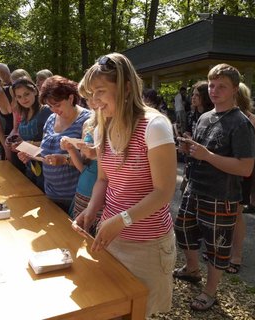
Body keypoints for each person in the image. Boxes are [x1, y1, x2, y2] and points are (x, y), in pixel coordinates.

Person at [72, 53, 177, 317]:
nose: (94, 102)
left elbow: (164, 192)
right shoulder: (101, 127)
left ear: (127, 86)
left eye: (101, 92)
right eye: (90, 94)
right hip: (111, 237)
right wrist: (93, 210)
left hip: (148, 245)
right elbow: (104, 180)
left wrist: (122, 219)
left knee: (140, 312)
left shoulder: (154, 126)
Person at [174, 64, 255, 311]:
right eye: (211, 85)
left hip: (222, 196)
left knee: (217, 246)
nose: (214, 90)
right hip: (194, 189)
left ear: (234, 91)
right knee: (183, 230)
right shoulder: (205, 117)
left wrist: (207, 155)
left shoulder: (241, 123)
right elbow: (201, 152)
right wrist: (189, 148)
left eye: (222, 86)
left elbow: (245, 168)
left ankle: (210, 291)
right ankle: (192, 268)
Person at [24, 75, 90, 213]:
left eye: (58, 105)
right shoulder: (50, 119)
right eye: (50, 106)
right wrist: (29, 154)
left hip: (74, 196)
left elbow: (89, 164)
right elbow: (45, 151)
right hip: (50, 194)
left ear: (71, 98)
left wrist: (64, 160)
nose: (54, 110)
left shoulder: (87, 121)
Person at [228, 82, 255, 274]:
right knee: (223, 213)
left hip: (241, 171)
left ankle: (236, 254)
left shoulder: (251, 118)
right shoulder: (222, 115)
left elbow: (246, 146)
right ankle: (221, 249)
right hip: (223, 170)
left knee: (237, 214)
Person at [63, 78, 101, 236]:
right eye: (87, 98)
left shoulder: (118, 124)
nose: (91, 102)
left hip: (104, 195)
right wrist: (71, 149)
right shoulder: (89, 123)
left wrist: (97, 153)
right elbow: (83, 168)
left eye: (93, 96)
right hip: (83, 190)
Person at [11, 78, 52, 190]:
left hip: (46, 168)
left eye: (26, 94)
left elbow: (52, 143)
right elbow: (25, 139)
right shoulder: (24, 113)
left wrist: (29, 144)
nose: (23, 99)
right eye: (19, 97)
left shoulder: (47, 111)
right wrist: (18, 144)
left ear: (34, 91)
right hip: (30, 166)